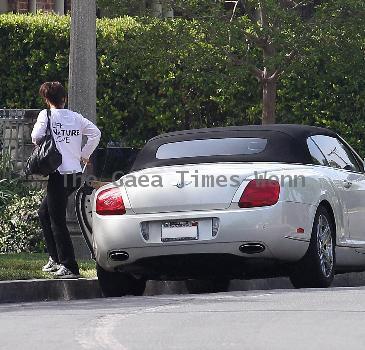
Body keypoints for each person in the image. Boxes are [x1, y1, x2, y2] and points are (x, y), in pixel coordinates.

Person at [31, 81, 101, 278]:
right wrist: (84, 154)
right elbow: (96, 133)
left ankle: (69, 265)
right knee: (44, 212)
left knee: (57, 220)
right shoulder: (76, 117)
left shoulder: (46, 115)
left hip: (58, 173)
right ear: (64, 99)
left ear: (46, 100)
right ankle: (55, 258)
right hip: (75, 174)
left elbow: (36, 136)